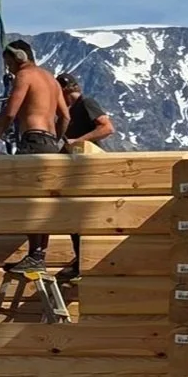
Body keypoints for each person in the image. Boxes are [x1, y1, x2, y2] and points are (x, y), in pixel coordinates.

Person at [0, 39, 69, 274]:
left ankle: (35, 257)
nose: (9, 69)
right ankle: (38, 255)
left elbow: (10, 112)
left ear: (19, 57)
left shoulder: (25, 77)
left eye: (9, 63)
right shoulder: (52, 80)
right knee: (44, 202)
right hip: (50, 145)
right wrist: (57, 141)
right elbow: (65, 117)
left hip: (33, 142)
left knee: (31, 202)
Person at [54, 73, 115, 281]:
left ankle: (84, 261)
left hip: (90, 169)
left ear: (63, 90)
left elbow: (106, 127)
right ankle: (80, 260)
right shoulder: (69, 113)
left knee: (83, 217)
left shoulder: (85, 104)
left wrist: (78, 141)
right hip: (77, 171)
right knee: (75, 218)